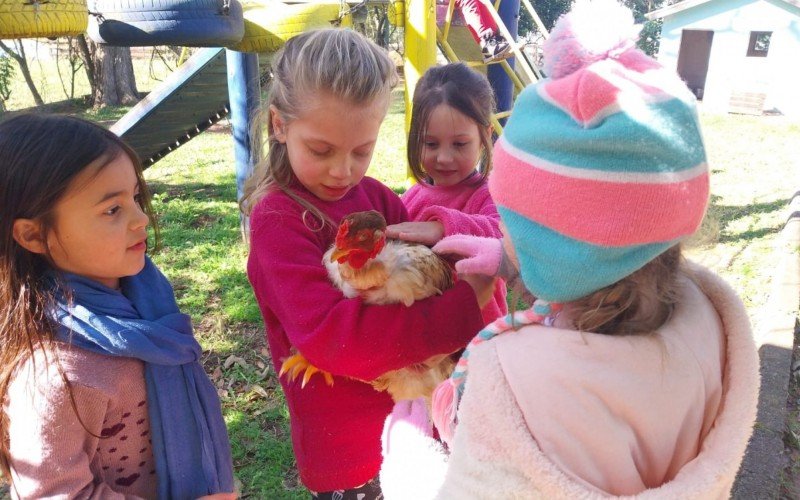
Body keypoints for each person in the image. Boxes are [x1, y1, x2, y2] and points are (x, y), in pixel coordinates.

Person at [380, 0, 760, 497]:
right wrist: (510, 264)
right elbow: (591, 270)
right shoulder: (703, 320)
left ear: (552, 247)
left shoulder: (512, 384)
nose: (504, 233)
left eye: (513, 221)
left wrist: (410, 465)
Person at [240, 29, 494, 498]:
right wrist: (466, 305)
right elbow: (334, 340)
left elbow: (428, 273)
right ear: (278, 124)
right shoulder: (277, 221)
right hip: (350, 450)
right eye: (321, 150)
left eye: (362, 150)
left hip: (417, 422)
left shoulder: (374, 196)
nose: (344, 170)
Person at [0, 114, 236, 499]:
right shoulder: (56, 375)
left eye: (136, 198)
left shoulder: (149, 307)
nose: (141, 219)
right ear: (33, 234)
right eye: (113, 210)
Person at [386, 62, 507, 325]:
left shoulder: (490, 194)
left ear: (485, 136)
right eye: (431, 143)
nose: (443, 157)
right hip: (425, 335)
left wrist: (444, 228)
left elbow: (503, 234)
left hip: (477, 337)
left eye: (459, 144)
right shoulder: (411, 198)